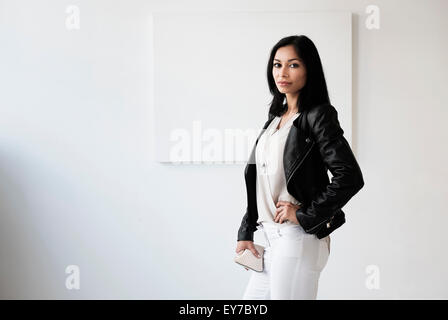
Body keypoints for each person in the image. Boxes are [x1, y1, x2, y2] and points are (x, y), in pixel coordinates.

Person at [235, 35, 364, 300]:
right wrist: (246, 231)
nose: (282, 72)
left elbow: (349, 176)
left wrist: (305, 213)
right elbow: (259, 181)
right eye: (277, 64)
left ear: (309, 70)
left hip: (297, 238)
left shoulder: (318, 115)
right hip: (270, 239)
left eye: (293, 65)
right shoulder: (275, 119)